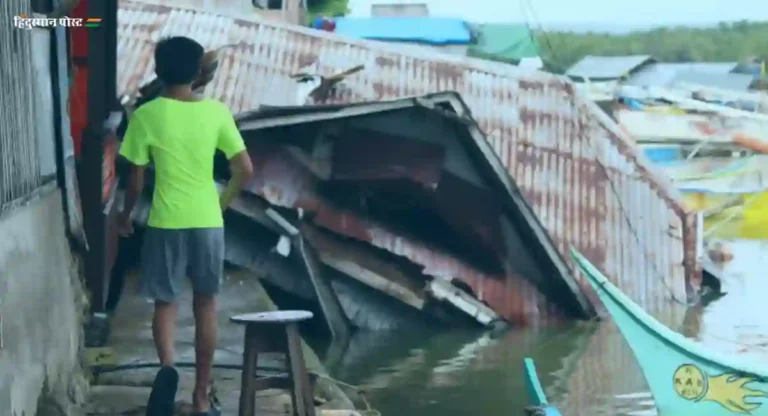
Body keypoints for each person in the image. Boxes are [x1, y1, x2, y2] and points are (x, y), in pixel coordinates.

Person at [117, 36, 254, 415]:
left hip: (166, 222)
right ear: (197, 72)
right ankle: (201, 394)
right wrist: (221, 204)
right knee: (207, 304)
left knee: (166, 303)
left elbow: (135, 180)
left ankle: (167, 373)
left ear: (158, 71)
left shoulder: (147, 115)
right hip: (208, 221)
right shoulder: (217, 112)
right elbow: (245, 168)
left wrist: (125, 214)